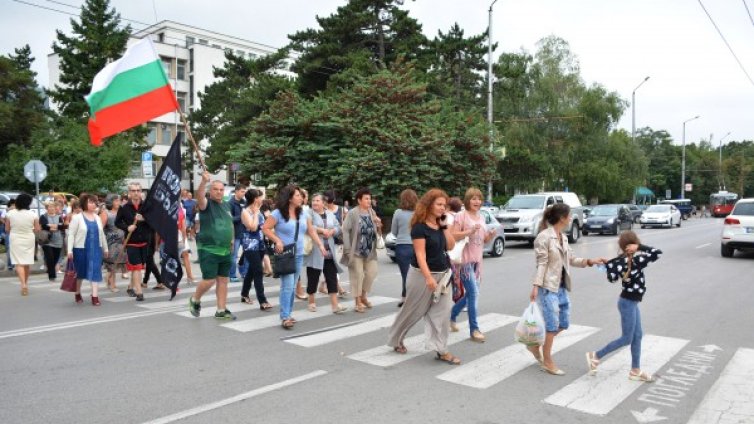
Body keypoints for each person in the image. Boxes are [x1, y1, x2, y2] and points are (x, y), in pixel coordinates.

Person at [528, 203, 605, 375]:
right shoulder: (544, 237)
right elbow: (541, 264)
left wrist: (590, 261)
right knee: (552, 326)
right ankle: (547, 360)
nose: (571, 218)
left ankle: (536, 345)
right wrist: (535, 286)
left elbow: (571, 258)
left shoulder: (562, 237)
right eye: (569, 216)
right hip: (547, 287)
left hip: (561, 286)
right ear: (562, 218)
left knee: (563, 323)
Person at [387, 189, 460, 365]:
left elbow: (450, 246)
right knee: (413, 311)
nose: (443, 208)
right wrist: (428, 278)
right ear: (429, 205)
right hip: (421, 275)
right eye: (439, 204)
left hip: (443, 275)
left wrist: (444, 227)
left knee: (442, 314)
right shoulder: (419, 227)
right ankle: (396, 339)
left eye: (444, 205)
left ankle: (441, 350)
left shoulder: (440, 224)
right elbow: (420, 255)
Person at [586, 231, 662, 382]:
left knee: (637, 336)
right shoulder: (637, 260)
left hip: (630, 302)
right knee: (627, 338)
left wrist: (610, 266)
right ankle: (595, 356)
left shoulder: (620, 261)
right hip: (627, 303)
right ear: (634, 244)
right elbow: (657, 253)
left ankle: (635, 370)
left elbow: (612, 278)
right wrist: (640, 247)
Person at [262, 184, 325, 329]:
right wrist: (277, 240)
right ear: (289, 198)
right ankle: (285, 316)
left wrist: (320, 245)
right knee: (288, 285)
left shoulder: (303, 213)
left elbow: (311, 230)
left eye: (301, 195)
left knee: (291, 286)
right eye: (297, 195)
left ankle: (288, 313)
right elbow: (265, 228)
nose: (301, 198)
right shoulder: (278, 213)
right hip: (285, 254)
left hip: (298, 254)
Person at [449, 188, 498, 342]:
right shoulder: (460, 216)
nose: (477, 201)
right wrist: (469, 231)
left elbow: (482, 240)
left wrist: (489, 236)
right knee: (474, 294)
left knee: (471, 293)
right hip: (464, 261)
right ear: (467, 200)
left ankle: (451, 315)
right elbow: (452, 235)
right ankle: (474, 329)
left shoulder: (481, 217)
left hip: (477, 261)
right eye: (473, 198)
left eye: (479, 199)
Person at [187, 172, 237, 320]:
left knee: (223, 280)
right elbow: (200, 196)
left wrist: (232, 239)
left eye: (221, 189)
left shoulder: (227, 205)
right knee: (209, 280)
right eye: (215, 189)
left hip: (225, 249)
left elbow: (230, 224)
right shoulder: (206, 204)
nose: (219, 192)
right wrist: (203, 182)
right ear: (211, 191)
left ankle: (221, 310)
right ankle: (195, 299)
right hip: (209, 249)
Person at [341, 188, 382, 313]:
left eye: (370, 198)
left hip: (370, 250)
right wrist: (347, 249)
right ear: (359, 200)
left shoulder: (371, 212)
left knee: (371, 273)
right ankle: (358, 301)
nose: (369, 201)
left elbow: (377, 230)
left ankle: (363, 295)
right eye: (366, 198)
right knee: (357, 275)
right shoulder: (352, 213)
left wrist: (379, 224)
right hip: (356, 251)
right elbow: (345, 230)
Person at [305, 193, 348, 314]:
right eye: (313, 200)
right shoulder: (309, 213)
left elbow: (338, 226)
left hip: (329, 250)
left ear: (323, 203)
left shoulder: (329, 214)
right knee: (313, 276)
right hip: (315, 250)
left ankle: (335, 305)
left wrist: (333, 230)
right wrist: (322, 230)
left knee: (332, 278)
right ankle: (311, 301)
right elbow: (308, 227)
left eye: (317, 200)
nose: (314, 203)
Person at [115, 182, 154, 301]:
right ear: (129, 193)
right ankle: (139, 292)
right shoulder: (124, 207)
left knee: (138, 267)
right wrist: (127, 227)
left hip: (145, 241)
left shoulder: (147, 206)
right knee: (136, 267)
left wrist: (144, 219)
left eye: (138, 190)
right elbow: (117, 222)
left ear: (141, 192)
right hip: (132, 241)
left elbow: (154, 222)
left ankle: (130, 286)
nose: (136, 193)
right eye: (133, 191)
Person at [67, 194, 108, 305]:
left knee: (95, 271)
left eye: (95, 202)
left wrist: (105, 248)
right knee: (80, 274)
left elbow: (101, 234)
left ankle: (95, 297)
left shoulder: (97, 217)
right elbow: (71, 235)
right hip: (80, 249)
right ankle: (77, 292)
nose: (93, 204)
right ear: (84, 203)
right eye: (90, 202)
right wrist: (69, 250)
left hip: (96, 249)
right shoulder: (77, 217)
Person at [240, 189, 272, 310]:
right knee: (258, 270)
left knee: (252, 271)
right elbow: (253, 228)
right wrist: (254, 214)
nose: (262, 199)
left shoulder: (259, 211)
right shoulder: (245, 211)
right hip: (250, 245)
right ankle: (262, 301)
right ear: (255, 199)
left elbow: (263, 227)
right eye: (260, 197)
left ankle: (244, 294)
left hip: (260, 244)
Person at [6, 194, 40, 295]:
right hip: (29, 237)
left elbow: (7, 229)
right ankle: (26, 282)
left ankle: (23, 285)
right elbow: (37, 229)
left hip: (15, 238)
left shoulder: (10, 213)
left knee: (18, 262)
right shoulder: (33, 214)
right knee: (27, 262)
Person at [391, 189, 418, 307]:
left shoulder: (398, 212)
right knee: (416, 274)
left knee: (405, 274)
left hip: (402, 246)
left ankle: (405, 298)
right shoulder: (419, 213)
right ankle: (410, 297)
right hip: (417, 245)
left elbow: (393, 231)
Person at [100, 194, 125, 292]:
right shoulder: (106, 213)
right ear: (111, 202)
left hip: (121, 241)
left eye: (119, 200)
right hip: (111, 241)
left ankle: (108, 279)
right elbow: (100, 228)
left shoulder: (122, 212)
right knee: (112, 263)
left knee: (117, 263)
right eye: (116, 201)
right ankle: (112, 285)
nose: (118, 202)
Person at [40, 202, 66, 282]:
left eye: (53, 207)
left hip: (58, 240)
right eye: (49, 207)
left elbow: (62, 226)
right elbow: (44, 226)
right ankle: (52, 275)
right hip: (47, 240)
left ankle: (50, 269)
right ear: (47, 208)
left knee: (55, 258)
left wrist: (51, 226)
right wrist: (56, 226)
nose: (51, 209)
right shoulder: (43, 216)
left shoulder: (59, 217)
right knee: (50, 257)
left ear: (55, 208)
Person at [228, 184, 247, 282]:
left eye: (244, 192)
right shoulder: (230, 203)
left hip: (245, 232)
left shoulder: (245, 202)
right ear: (236, 191)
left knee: (247, 254)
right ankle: (232, 275)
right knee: (233, 255)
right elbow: (229, 219)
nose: (244, 194)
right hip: (235, 234)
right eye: (242, 191)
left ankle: (244, 272)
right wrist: (241, 216)